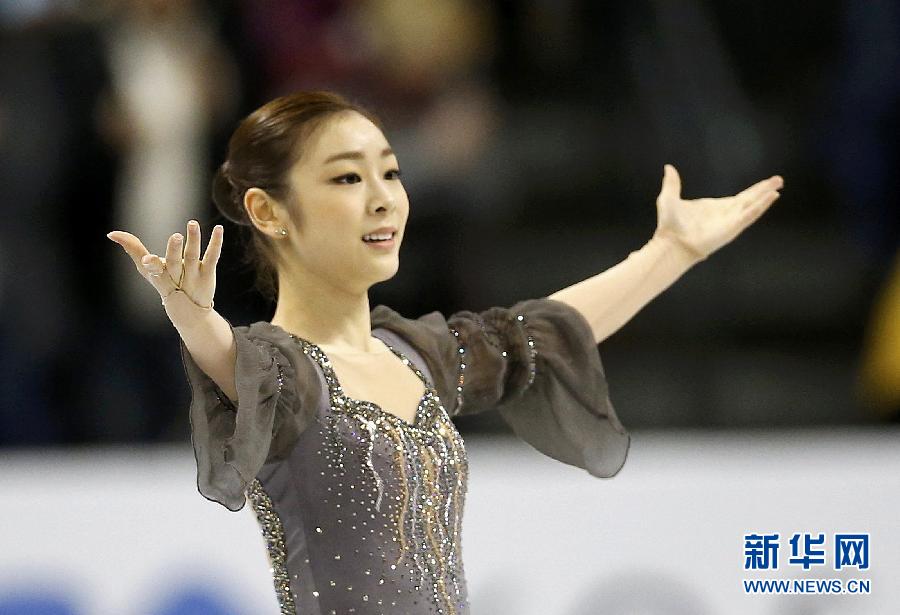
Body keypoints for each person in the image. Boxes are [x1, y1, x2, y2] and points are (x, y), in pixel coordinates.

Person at [107, 90, 783, 614]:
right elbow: (228, 357)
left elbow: (544, 330)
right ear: (269, 210)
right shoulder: (282, 372)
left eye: (391, 173)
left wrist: (671, 250)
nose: (383, 200)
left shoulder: (416, 353)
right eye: (347, 179)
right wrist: (193, 316)